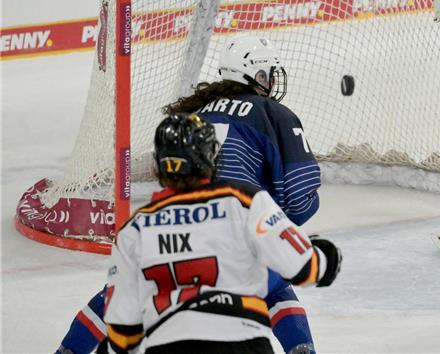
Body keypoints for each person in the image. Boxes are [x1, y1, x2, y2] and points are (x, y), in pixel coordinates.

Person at [57, 35, 322, 354]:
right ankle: (302, 350)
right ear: (253, 76)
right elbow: (300, 194)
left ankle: (68, 351)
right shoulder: (273, 113)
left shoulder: (195, 111)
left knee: (128, 287)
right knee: (274, 284)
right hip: (234, 217)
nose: (270, 82)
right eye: (265, 74)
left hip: (173, 220)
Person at [103, 113, 340, 353]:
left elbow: (123, 332)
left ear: (159, 164)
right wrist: (325, 257)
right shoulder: (243, 200)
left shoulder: (134, 229)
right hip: (242, 342)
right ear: (209, 158)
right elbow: (302, 268)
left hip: (167, 345)